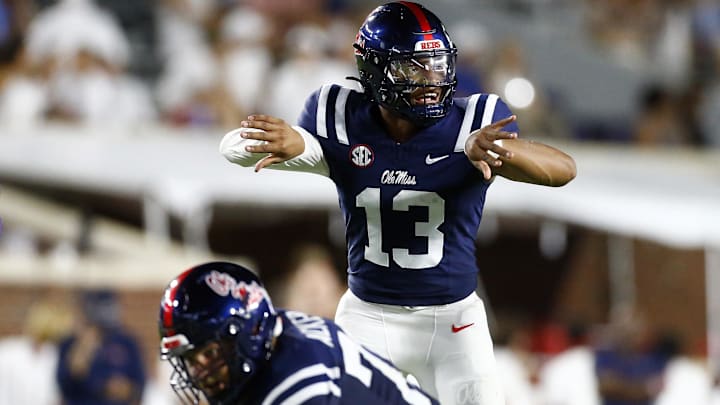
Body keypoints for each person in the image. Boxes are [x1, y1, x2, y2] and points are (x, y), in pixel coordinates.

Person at [219, 2, 576, 404]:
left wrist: (501, 153)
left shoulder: (475, 120)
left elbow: (564, 169)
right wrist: (298, 143)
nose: (432, 79)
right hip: (368, 317)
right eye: (414, 68)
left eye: (437, 64)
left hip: (453, 322)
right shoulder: (339, 116)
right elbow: (233, 148)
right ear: (375, 70)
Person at [157, 261, 439, 405]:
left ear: (248, 332)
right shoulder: (279, 332)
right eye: (190, 359)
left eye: (209, 353)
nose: (199, 372)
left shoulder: (297, 385)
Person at [57, 289, 146, 405]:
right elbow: (66, 384)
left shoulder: (126, 342)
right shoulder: (70, 343)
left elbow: (138, 386)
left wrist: (122, 388)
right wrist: (83, 348)